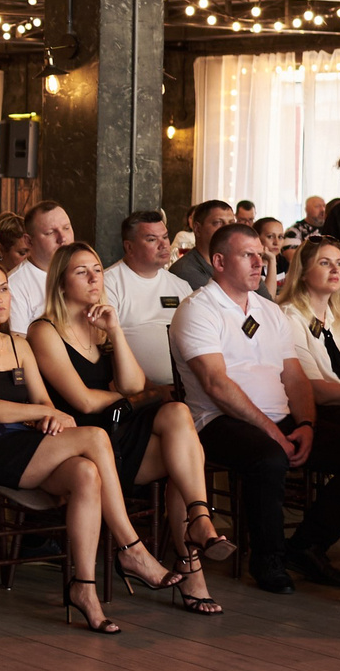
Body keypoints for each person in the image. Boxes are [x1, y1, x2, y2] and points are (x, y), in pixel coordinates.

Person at [0, 261, 179, 632]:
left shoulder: (18, 344)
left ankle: (84, 588)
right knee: (95, 437)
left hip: (24, 444)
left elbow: (45, 402)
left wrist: (48, 415)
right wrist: (41, 413)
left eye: (3, 288)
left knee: (85, 472)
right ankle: (132, 549)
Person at [24, 243, 231, 613]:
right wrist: (121, 397)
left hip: (118, 433)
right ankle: (192, 563)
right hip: (82, 444)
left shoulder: (100, 324)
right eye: (81, 272)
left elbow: (134, 386)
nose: (93, 278)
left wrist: (115, 330)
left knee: (180, 421)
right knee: (187, 455)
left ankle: (198, 522)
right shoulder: (44, 331)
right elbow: (84, 402)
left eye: (98, 269)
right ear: (60, 282)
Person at [174, 224, 340, 594]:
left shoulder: (269, 311)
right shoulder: (198, 309)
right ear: (218, 262)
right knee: (269, 457)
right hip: (218, 421)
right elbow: (217, 384)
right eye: (247, 255)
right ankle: (267, 559)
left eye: (260, 254)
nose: (259, 262)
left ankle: (307, 546)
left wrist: (306, 425)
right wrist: (274, 432)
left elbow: (296, 379)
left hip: (279, 419)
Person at [276, 235, 340, 436]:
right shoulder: (289, 317)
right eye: (324, 263)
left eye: (339, 263)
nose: (335, 270)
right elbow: (318, 392)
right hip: (316, 411)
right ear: (303, 273)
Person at [102, 210, 187, 332]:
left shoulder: (181, 285)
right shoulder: (109, 283)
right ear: (129, 247)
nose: (163, 245)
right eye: (152, 239)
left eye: (165, 237)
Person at [1, 200, 72, 334]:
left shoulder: (85, 272)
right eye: (50, 232)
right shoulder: (14, 286)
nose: (62, 238)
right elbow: (20, 344)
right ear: (28, 241)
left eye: (66, 228)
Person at [168, 200, 232, 290]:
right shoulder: (185, 271)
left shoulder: (235, 262)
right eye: (218, 223)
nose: (227, 229)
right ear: (197, 229)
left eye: (231, 223)